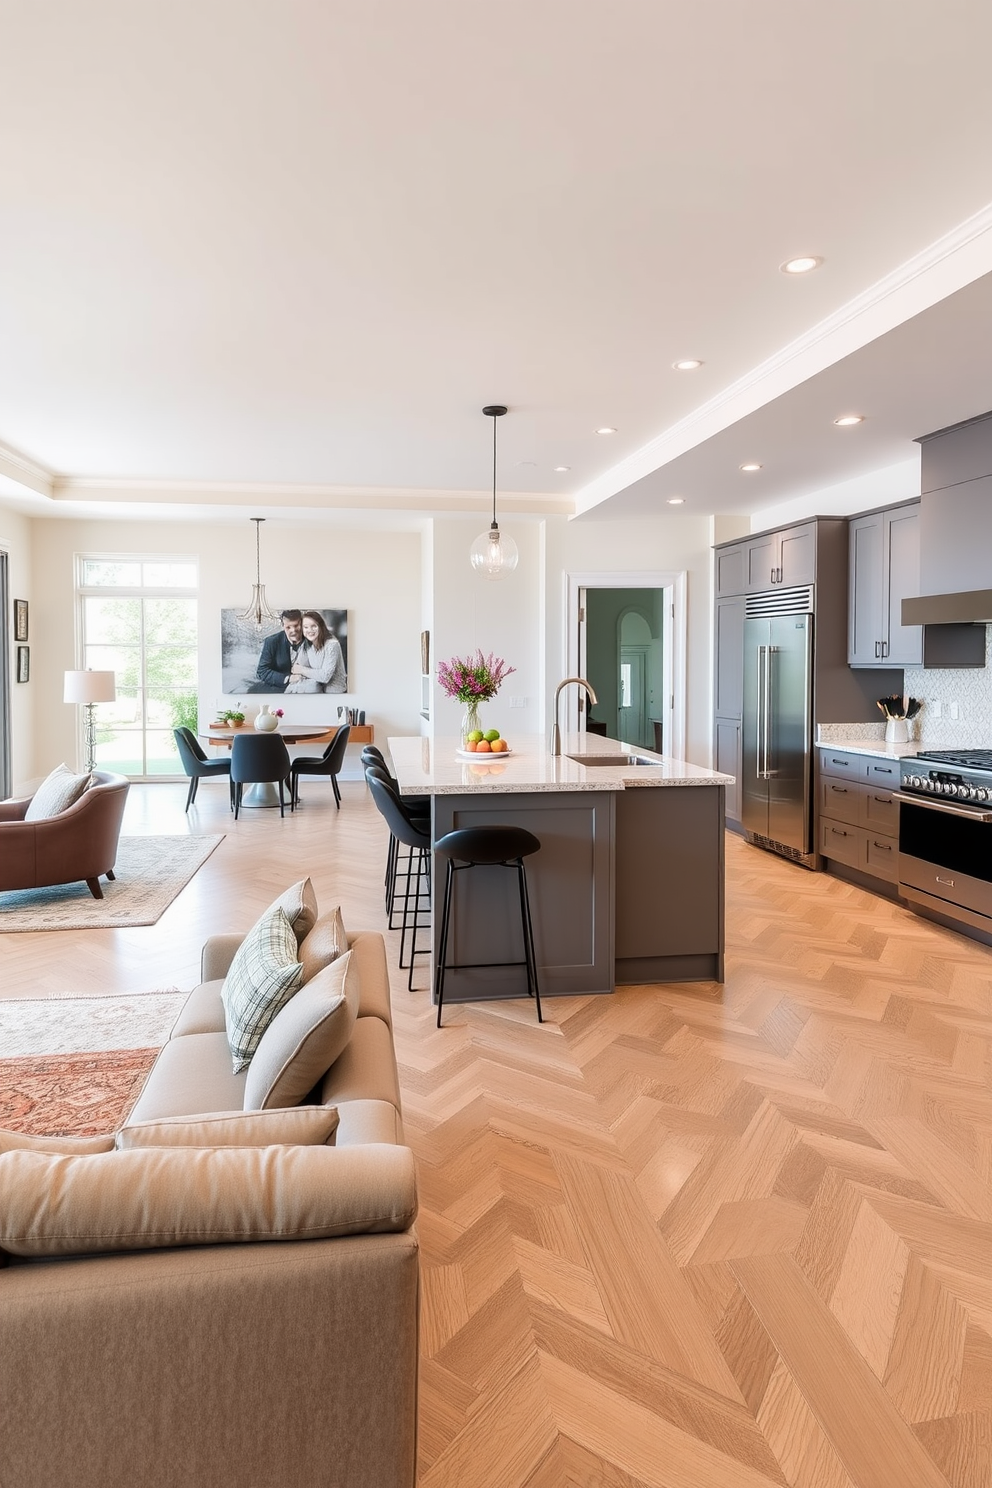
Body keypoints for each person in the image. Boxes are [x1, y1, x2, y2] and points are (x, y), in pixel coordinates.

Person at [288, 610, 347, 693]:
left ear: (320, 626)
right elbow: (296, 667)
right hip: (316, 691)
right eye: (306, 627)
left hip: (334, 694)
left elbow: (325, 677)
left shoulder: (332, 644)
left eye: (314, 626)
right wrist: (301, 670)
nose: (310, 630)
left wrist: (301, 670)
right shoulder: (307, 644)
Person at [254, 610, 303, 691]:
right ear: (282, 626)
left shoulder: (311, 638)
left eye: (296, 625)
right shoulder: (271, 642)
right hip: (279, 688)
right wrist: (288, 678)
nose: (293, 630)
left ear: (301, 623)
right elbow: (262, 672)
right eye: (288, 627)